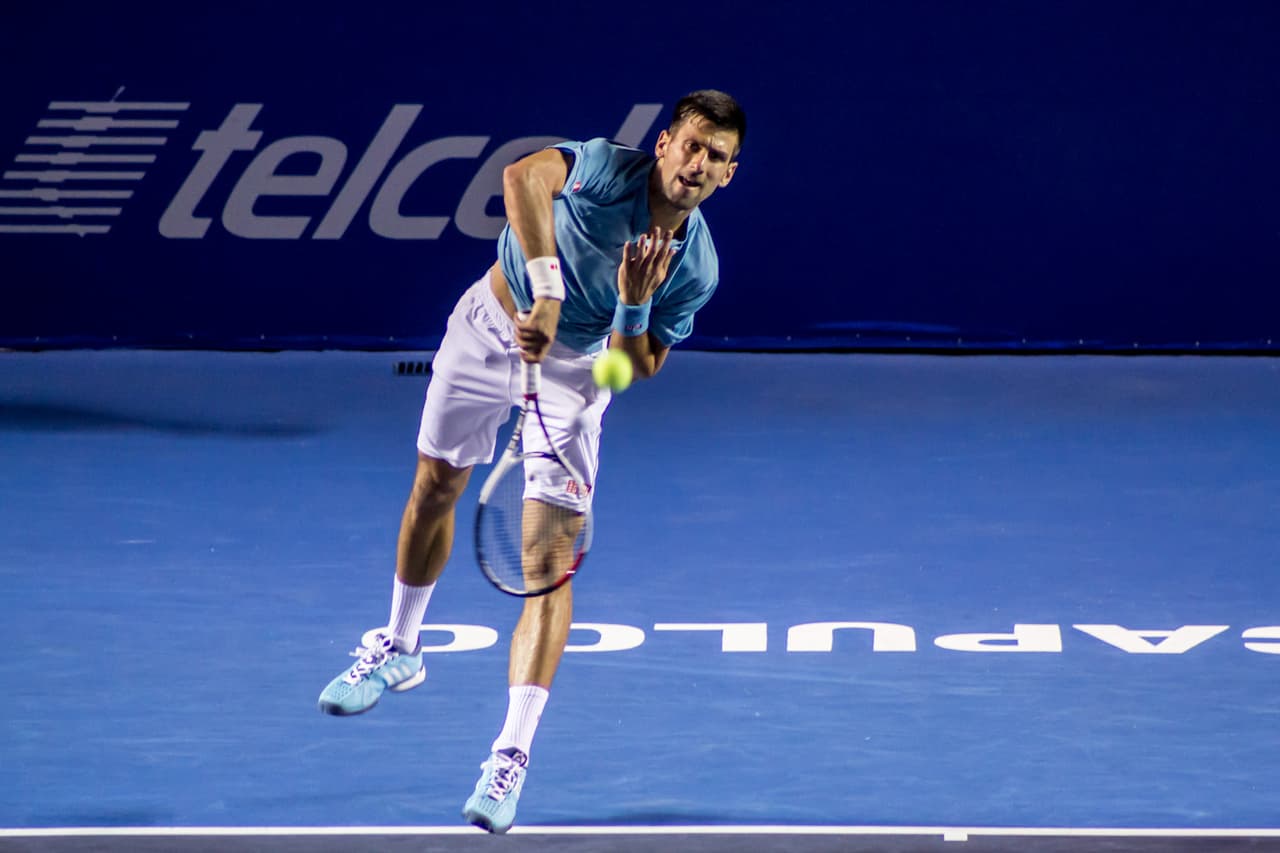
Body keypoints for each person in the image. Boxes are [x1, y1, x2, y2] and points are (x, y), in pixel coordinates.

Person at [317, 89, 746, 833]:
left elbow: (629, 371)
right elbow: (519, 177)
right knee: (435, 486)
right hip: (496, 320)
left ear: (729, 174)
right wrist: (546, 292)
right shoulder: (607, 169)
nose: (698, 164)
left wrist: (632, 305)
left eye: (717, 157)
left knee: (548, 564)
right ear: (666, 141)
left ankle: (509, 757)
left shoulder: (694, 267)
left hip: (581, 373)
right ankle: (399, 645)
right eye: (692, 145)